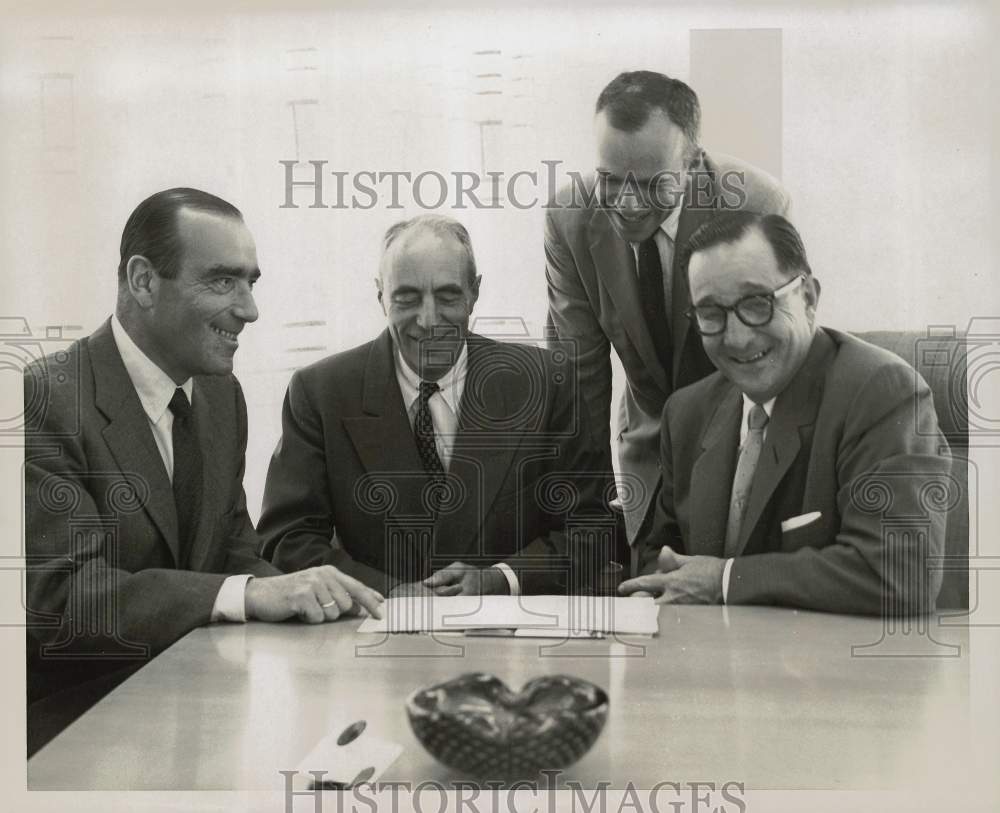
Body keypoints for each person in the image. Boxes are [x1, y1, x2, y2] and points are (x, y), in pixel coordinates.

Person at [23, 188, 384, 754]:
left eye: (250, 282)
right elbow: (63, 601)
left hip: (204, 708)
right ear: (143, 281)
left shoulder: (221, 395)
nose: (249, 309)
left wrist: (322, 602)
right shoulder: (42, 399)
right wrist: (248, 594)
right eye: (222, 281)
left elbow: (233, 549)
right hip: (75, 729)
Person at [259, 215, 611, 597]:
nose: (428, 321)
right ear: (380, 297)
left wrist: (499, 578)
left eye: (447, 297)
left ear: (474, 293)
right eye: (407, 298)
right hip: (377, 632)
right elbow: (287, 541)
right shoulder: (320, 393)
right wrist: (387, 593)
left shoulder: (545, 381)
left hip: (511, 639)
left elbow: (592, 528)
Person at [619, 212, 951, 614]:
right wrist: (649, 589)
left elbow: (901, 573)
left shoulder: (882, 393)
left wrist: (725, 580)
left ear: (808, 297)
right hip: (712, 666)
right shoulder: (686, 412)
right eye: (710, 313)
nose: (737, 337)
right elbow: (663, 554)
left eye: (757, 303)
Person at [545, 70, 791, 543]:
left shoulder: (757, 205)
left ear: (693, 163)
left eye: (653, 183)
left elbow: (775, 361)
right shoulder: (568, 219)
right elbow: (579, 376)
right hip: (645, 453)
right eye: (610, 180)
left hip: (742, 441)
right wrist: (588, 520)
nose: (630, 204)